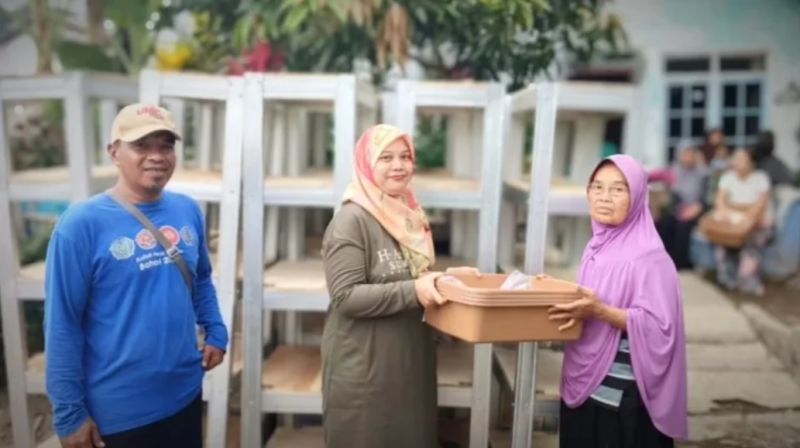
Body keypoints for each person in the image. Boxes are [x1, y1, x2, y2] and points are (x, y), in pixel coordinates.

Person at [44, 103, 228, 448]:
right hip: (118, 413)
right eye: (141, 145)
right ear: (114, 152)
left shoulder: (187, 210)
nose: (157, 156)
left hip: (184, 394)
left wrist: (215, 329)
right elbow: (62, 323)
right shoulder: (81, 224)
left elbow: (201, 278)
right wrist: (69, 414)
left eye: (166, 146)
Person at [320, 124, 479, 448]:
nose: (399, 166)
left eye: (405, 157)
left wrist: (446, 280)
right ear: (367, 164)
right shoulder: (351, 221)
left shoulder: (409, 216)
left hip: (409, 363)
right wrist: (416, 290)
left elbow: (408, 276)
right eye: (386, 157)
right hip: (365, 370)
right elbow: (345, 296)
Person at [545, 154, 688, 448]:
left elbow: (660, 329)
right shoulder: (596, 246)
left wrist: (601, 311)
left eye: (618, 189)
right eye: (597, 187)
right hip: (582, 387)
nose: (604, 197)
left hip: (620, 400)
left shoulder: (650, 258)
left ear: (637, 197)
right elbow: (591, 300)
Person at [713, 147, 774, 295]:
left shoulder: (761, 178)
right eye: (735, 158)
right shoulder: (727, 177)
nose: (736, 162)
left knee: (751, 242)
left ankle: (748, 282)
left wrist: (738, 209)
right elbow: (720, 200)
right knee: (722, 240)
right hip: (733, 222)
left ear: (751, 162)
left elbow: (760, 206)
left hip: (758, 223)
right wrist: (727, 212)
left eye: (741, 159)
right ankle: (727, 279)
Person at [655, 141, 709, 270]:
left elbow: (707, 197)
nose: (687, 156)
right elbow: (670, 192)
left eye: (690, 153)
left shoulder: (702, 173)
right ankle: (664, 261)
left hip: (695, 209)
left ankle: (681, 265)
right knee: (664, 224)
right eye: (684, 153)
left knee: (683, 227)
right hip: (676, 208)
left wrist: (697, 207)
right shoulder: (674, 170)